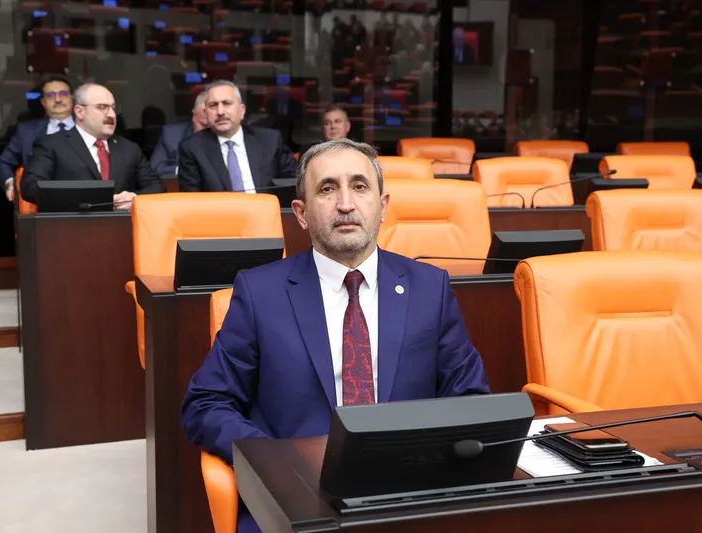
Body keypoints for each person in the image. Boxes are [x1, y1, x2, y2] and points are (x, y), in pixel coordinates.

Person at [181, 138, 490, 533]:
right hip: (298, 500)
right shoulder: (260, 293)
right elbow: (206, 403)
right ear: (302, 213)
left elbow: (470, 398)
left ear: (383, 205)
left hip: (409, 499)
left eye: (360, 186)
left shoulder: (430, 287)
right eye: (327, 189)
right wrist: (277, 460)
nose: (346, 204)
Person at [20, 83, 164, 207]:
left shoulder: (129, 148)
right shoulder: (51, 145)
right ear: (79, 112)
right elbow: (31, 188)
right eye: (102, 107)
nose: (112, 115)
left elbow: (157, 186)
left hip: (122, 226)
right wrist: (94, 200)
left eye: (113, 108)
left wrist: (134, 198)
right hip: (71, 226)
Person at [177, 80, 297, 193]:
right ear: (206, 112)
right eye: (213, 105)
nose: (220, 112)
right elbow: (192, 199)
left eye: (227, 103)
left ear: (242, 110)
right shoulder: (192, 148)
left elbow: (295, 182)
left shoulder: (270, 140)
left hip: (266, 207)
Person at [0, 74, 75, 202]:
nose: (58, 99)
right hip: (39, 203)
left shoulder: (89, 128)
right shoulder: (27, 132)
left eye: (63, 93)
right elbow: (3, 162)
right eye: (50, 95)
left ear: (72, 98)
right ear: (43, 102)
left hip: (83, 201)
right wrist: (10, 183)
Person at [149, 91, 208, 175]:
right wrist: (183, 170)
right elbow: (155, 167)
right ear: (194, 114)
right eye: (202, 125)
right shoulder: (172, 135)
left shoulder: (225, 135)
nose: (207, 130)